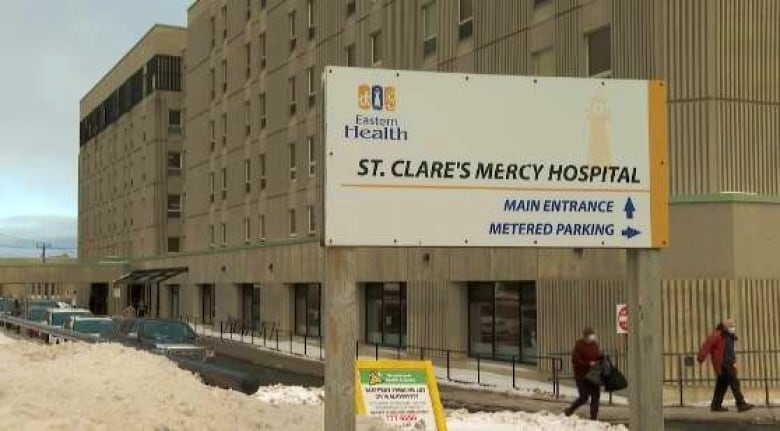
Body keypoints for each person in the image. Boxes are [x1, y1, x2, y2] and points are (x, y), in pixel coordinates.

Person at [697, 319, 754, 412]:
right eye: (731, 326)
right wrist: (701, 357)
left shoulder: (729, 336)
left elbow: (730, 351)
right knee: (734, 382)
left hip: (728, 363)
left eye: (733, 326)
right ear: (725, 327)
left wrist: (733, 362)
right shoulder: (718, 335)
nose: (733, 327)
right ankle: (741, 404)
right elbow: (707, 345)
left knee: (721, 385)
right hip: (723, 363)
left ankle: (716, 405)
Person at [564, 327, 602, 420]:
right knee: (584, 396)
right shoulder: (579, 345)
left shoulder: (595, 345)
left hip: (594, 375)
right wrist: (588, 363)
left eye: (593, 335)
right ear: (586, 336)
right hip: (581, 375)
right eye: (590, 335)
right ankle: (570, 410)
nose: (592, 337)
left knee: (595, 396)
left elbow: (598, 355)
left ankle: (593, 417)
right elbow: (575, 360)